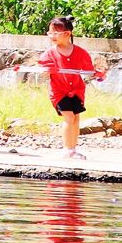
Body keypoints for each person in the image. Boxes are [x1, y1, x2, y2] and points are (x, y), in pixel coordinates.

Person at [35, 15, 106, 161]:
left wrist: (98, 74)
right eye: (50, 33)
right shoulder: (49, 53)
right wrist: (46, 71)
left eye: (56, 33)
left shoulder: (81, 53)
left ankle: (73, 149)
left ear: (67, 34)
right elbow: (42, 72)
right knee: (68, 117)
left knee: (76, 119)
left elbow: (88, 71)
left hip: (77, 91)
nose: (52, 36)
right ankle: (67, 149)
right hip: (59, 92)